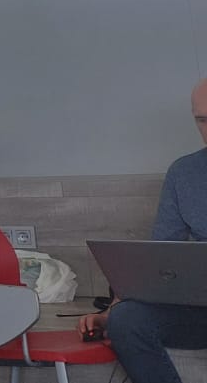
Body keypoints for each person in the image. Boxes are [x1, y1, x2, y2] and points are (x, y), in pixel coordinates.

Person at [78, 80, 207, 383]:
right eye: (203, 120)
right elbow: (160, 262)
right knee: (127, 320)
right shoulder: (183, 173)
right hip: (200, 307)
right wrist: (111, 313)